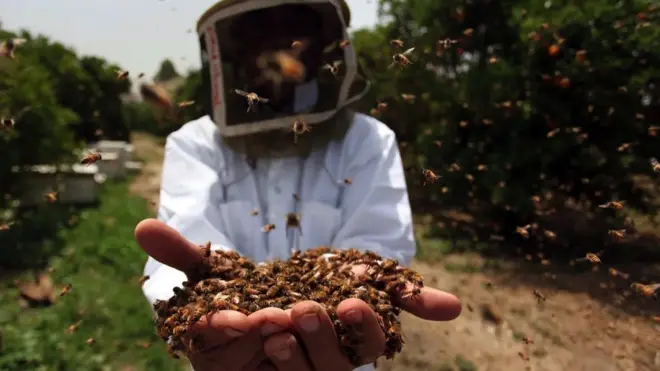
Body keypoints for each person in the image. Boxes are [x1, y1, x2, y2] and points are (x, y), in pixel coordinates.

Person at [136, 1, 462, 370]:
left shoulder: (367, 139)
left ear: (323, 41)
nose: (278, 39)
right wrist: (209, 309)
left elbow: (377, 247)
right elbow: (180, 259)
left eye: (295, 22)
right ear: (234, 46)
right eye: (257, 24)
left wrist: (353, 285)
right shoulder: (194, 143)